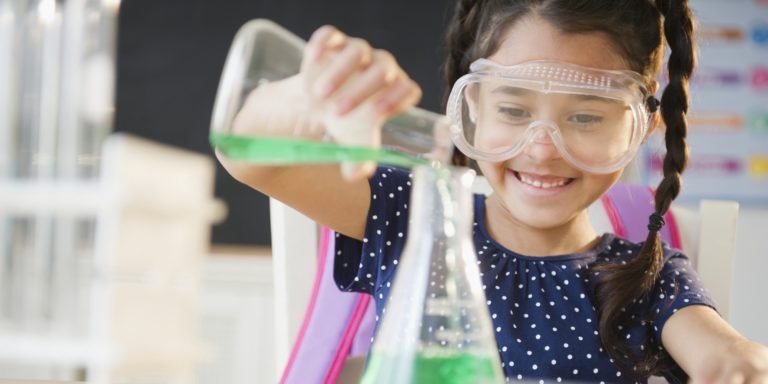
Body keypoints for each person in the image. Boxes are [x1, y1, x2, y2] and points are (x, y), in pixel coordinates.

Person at [217, 0, 768, 382]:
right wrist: (313, 98)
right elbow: (246, 155)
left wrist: (735, 356)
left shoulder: (648, 275)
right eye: (512, 109)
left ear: (638, 128)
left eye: (585, 117)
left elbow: (722, 353)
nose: (543, 148)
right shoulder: (415, 217)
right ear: (472, 106)